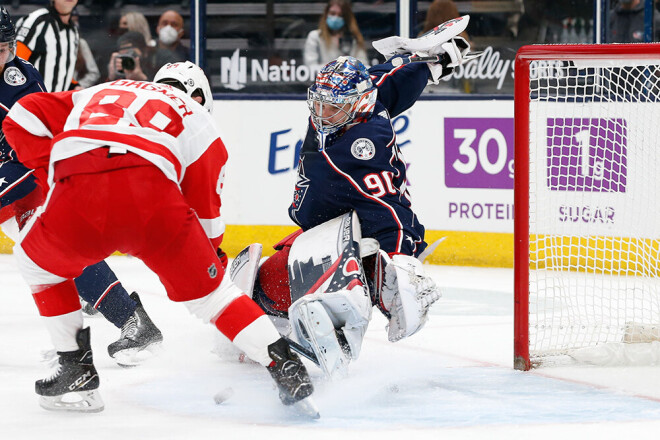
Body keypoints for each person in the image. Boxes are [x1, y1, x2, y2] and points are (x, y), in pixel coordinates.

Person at [2, 61, 315, 414]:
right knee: (214, 299)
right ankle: (285, 365)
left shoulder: (109, 89)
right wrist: (208, 267)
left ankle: (75, 365)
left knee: (38, 265)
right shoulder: (203, 125)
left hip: (81, 188)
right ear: (200, 97)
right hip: (151, 200)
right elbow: (206, 217)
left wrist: (53, 167)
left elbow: (21, 116)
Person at [251, 36, 472, 374]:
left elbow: (389, 209)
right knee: (264, 289)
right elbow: (386, 78)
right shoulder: (367, 104)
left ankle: (345, 322)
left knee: (277, 291)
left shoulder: (358, 150)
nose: (322, 113)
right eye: (320, 103)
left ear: (357, 107)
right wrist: (427, 64)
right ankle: (281, 322)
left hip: (351, 244)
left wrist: (402, 258)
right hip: (324, 228)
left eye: (333, 107)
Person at [0, 6, 163, 368]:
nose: (1, 58)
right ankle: (86, 340)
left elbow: (30, 150)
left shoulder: (18, 80)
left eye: (3, 49)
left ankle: (128, 323)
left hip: (30, 171)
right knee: (48, 256)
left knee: (54, 249)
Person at [15, 0, 79, 92]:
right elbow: (13, 64)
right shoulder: (37, 21)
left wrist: (73, 85)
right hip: (32, 102)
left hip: (58, 102)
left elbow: (61, 66)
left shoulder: (73, 31)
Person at [303, 0, 367, 70]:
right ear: (326, 14)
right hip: (321, 80)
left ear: (346, 18)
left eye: (340, 15)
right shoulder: (315, 36)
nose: (336, 18)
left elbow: (363, 65)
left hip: (349, 80)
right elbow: (310, 67)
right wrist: (338, 71)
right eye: (332, 13)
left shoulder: (353, 38)